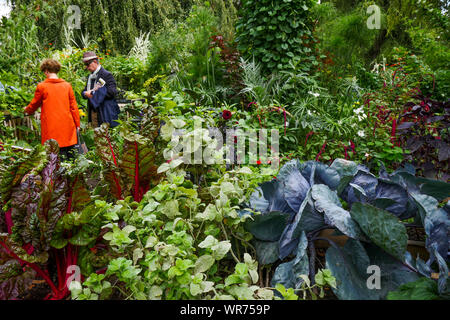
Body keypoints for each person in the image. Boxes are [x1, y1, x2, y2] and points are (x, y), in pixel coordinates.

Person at [24, 59, 81, 160]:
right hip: (67, 126)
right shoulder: (67, 86)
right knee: (70, 155)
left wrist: (26, 110)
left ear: (46, 71)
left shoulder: (42, 87)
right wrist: (77, 124)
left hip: (51, 127)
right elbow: (74, 107)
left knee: (53, 156)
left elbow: (34, 104)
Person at [81, 51, 120, 128]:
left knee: (107, 136)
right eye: (85, 65)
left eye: (88, 64)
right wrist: (85, 93)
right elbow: (84, 91)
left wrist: (93, 94)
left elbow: (112, 92)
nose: (87, 67)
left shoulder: (106, 75)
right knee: (96, 136)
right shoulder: (90, 77)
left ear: (95, 61)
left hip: (105, 112)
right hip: (93, 112)